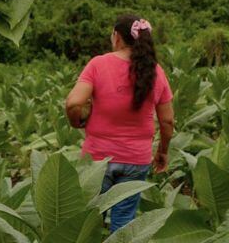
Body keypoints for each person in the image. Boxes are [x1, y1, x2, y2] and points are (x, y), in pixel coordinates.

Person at [64, 14, 174, 233]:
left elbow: (73, 102)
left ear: (116, 36)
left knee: (89, 223)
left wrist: (77, 121)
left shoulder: (98, 64)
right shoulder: (156, 72)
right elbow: (168, 120)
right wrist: (162, 151)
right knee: (124, 223)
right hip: (136, 159)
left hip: (97, 159)